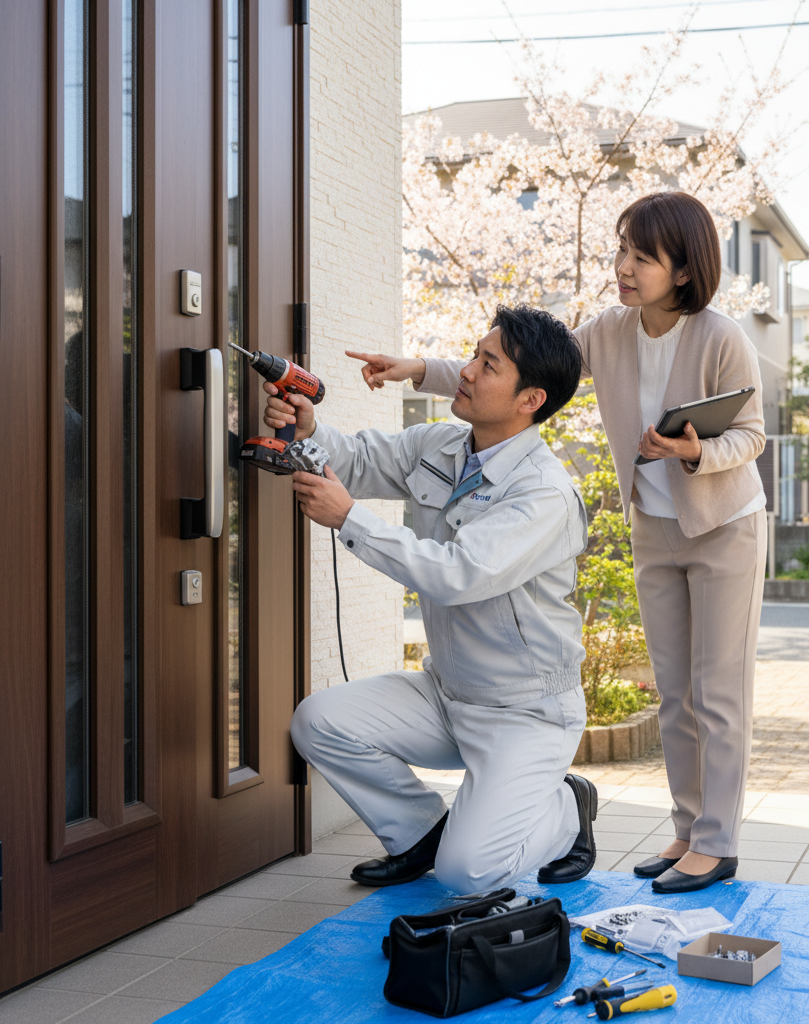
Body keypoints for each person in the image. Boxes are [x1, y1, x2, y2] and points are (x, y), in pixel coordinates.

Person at [351, 191, 767, 895]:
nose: (624, 267)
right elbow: (523, 370)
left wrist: (695, 451)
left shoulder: (722, 338)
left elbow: (751, 436)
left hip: (725, 528)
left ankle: (717, 843)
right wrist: (417, 368)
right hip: (655, 527)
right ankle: (686, 829)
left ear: (684, 270)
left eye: (642, 257)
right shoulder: (608, 331)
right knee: (673, 692)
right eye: (622, 250)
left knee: (718, 693)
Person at [276, 304, 599, 896]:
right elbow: (358, 460)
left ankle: (567, 810)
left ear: (531, 399)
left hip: (524, 713)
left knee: (468, 873)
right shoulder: (441, 445)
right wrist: (310, 430)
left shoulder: (544, 494)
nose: (466, 372)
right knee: (318, 721)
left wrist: (349, 518)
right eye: (475, 355)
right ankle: (419, 833)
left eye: (488, 365)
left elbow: (458, 573)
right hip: (448, 694)